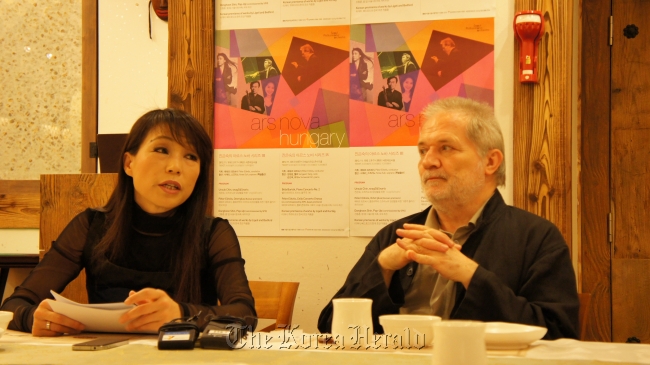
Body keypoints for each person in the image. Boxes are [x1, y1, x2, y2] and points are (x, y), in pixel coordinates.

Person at [318, 97, 579, 340]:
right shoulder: (396, 235)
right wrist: (383, 266)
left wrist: (471, 276)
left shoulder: (536, 238)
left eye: (446, 147)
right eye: (422, 151)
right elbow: (330, 326)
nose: (428, 162)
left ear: (490, 162)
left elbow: (558, 335)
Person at [1, 109, 257, 336]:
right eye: (162, 150)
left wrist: (180, 313)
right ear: (129, 163)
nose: (176, 167)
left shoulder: (214, 233)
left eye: (191, 156)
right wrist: (33, 317)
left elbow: (245, 316)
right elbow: (14, 305)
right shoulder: (91, 226)